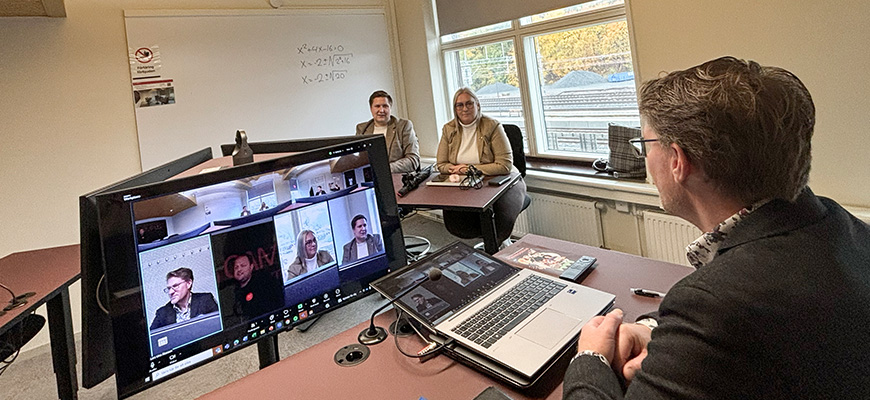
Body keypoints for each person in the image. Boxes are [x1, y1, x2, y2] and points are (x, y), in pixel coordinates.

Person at [564, 57, 870, 399]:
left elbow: (721, 312)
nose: (645, 158)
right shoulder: (839, 224)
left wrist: (590, 357)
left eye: (646, 145)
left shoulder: (712, 303)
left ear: (678, 161)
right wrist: (655, 330)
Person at [436, 87, 527, 246]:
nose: (465, 108)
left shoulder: (492, 126)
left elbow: (504, 165)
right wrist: (456, 170)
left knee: (499, 220)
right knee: (457, 221)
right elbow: (441, 164)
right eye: (460, 105)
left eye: (469, 103)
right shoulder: (448, 129)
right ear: (455, 109)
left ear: (477, 105)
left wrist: (467, 168)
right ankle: (491, 243)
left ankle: (496, 245)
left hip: (503, 181)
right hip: (468, 184)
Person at [355, 90, 421, 173]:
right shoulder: (362, 129)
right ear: (371, 109)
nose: (381, 110)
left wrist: (385, 169)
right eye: (377, 106)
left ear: (390, 108)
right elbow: (360, 161)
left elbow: (413, 160)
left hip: (397, 176)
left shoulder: (403, 126)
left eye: (385, 106)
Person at [150, 267, 218, 330]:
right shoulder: (162, 313)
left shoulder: (205, 300)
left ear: (188, 283)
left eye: (175, 286)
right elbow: (152, 337)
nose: (170, 292)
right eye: (169, 288)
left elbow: (218, 325)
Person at [229, 253, 284, 320]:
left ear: (251, 267)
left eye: (243, 265)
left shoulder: (263, 285)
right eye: (236, 267)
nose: (239, 269)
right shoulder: (233, 293)